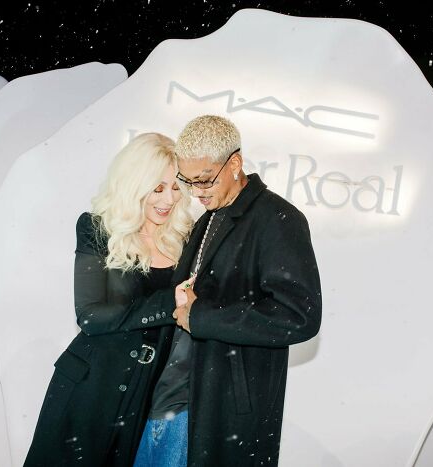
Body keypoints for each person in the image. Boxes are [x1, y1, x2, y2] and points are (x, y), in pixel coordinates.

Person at [134, 115, 322, 467]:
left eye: (205, 179)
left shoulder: (277, 219)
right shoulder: (208, 218)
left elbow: (300, 317)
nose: (197, 192)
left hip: (219, 408)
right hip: (170, 401)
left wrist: (201, 316)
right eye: (188, 181)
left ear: (234, 164)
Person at [24, 132, 194, 467]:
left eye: (176, 188)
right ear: (134, 184)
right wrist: (168, 304)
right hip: (90, 385)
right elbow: (90, 316)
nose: (169, 198)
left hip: (145, 393)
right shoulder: (98, 229)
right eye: (158, 188)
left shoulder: (184, 238)